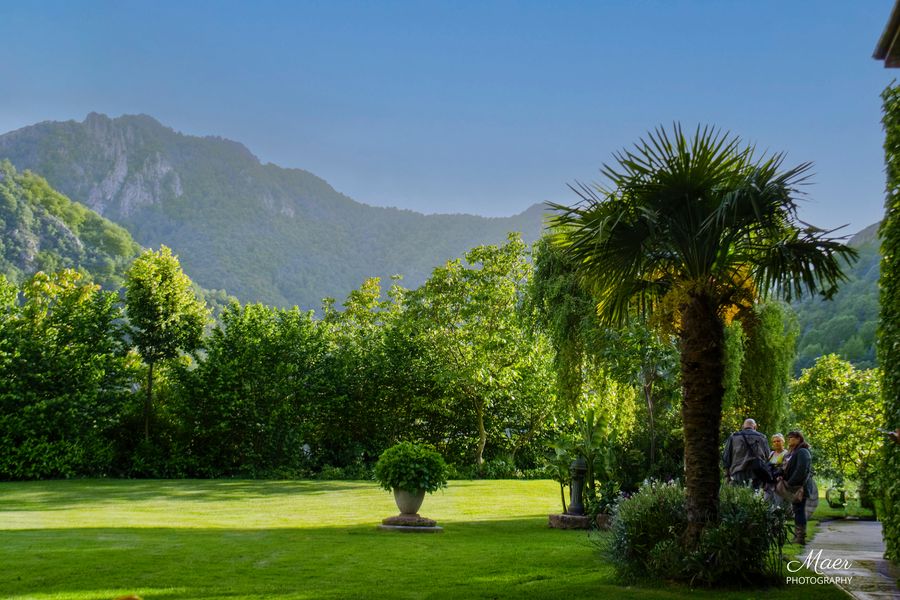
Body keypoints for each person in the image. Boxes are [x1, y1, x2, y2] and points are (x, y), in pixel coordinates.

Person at [779, 430, 813, 545]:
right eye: (788, 438)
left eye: (792, 438)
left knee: (799, 510)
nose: (789, 440)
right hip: (794, 486)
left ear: (799, 439)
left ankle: (800, 537)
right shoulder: (793, 452)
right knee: (797, 510)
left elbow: (801, 470)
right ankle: (798, 536)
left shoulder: (803, 451)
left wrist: (790, 483)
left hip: (800, 487)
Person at [722, 418, 771, 488]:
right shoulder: (762, 437)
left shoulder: (733, 437)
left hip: (738, 473)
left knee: (739, 496)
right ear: (755, 427)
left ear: (743, 427)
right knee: (754, 496)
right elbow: (768, 456)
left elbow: (726, 458)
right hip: (757, 473)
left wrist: (727, 476)